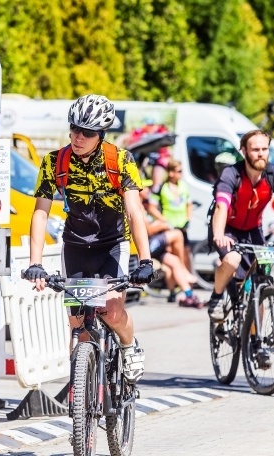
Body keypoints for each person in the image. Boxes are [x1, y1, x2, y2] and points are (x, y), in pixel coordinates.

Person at [22, 94, 155, 383]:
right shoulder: (54, 162)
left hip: (112, 244)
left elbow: (134, 211)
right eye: (74, 128)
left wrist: (145, 259)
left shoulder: (120, 160)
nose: (78, 136)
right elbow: (40, 213)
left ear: (101, 134)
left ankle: (130, 347)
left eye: (87, 132)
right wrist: (35, 263)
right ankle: (85, 391)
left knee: (111, 309)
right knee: (77, 321)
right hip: (76, 245)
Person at [206, 130, 274, 321]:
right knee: (232, 260)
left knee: (260, 283)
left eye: (265, 149)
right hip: (227, 228)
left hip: (253, 230)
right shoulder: (231, 174)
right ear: (244, 151)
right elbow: (222, 206)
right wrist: (219, 235)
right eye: (255, 149)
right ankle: (217, 295)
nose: (261, 153)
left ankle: (256, 342)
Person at [140, 179, 204, 308]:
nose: (148, 190)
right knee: (177, 234)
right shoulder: (138, 207)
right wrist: (161, 225)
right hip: (146, 246)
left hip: (154, 243)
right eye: (145, 188)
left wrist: (162, 223)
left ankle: (188, 295)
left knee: (173, 261)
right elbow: (148, 230)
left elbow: (160, 222)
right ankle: (184, 271)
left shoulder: (147, 205)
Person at [153, 159, 193, 273]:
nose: (181, 174)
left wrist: (188, 219)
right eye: (179, 171)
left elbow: (189, 204)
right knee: (172, 256)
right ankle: (174, 286)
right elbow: (151, 207)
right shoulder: (161, 187)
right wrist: (163, 220)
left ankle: (188, 282)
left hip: (182, 226)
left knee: (186, 254)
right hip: (169, 227)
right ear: (170, 172)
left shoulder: (184, 186)